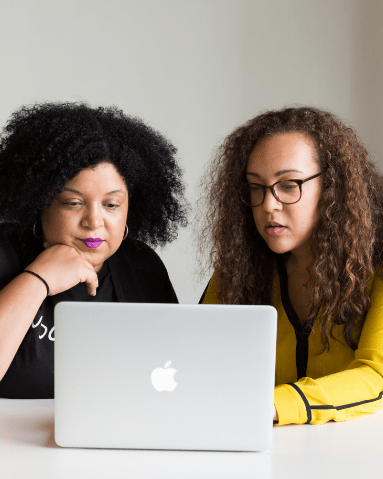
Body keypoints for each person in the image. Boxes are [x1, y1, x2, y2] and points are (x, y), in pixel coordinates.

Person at [199, 106, 383, 425]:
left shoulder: (376, 262)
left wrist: (273, 404)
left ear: (333, 188)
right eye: (256, 187)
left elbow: (376, 378)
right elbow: (197, 357)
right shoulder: (241, 265)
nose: (268, 204)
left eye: (288, 185)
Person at [0, 102, 188, 399]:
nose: (94, 221)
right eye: (73, 203)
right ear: (40, 201)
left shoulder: (143, 267)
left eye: (111, 205)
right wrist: (37, 278)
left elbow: (178, 371)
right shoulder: (4, 253)